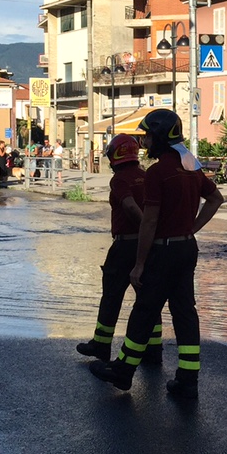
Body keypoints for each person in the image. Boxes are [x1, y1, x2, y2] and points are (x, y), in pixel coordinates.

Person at [89, 109, 223, 399]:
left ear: (160, 136)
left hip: (163, 251)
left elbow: (149, 221)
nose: (146, 143)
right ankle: (188, 379)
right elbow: (215, 198)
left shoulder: (157, 172)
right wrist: (193, 227)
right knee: (185, 313)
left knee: (144, 310)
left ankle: (123, 371)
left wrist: (138, 264)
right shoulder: (192, 167)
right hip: (187, 248)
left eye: (148, 136)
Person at [75, 133, 163, 365]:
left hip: (125, 245)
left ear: (116, 154)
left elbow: (130, 207)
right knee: (147, 298)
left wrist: (143, 227)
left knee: (112, 296)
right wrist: (150, 235)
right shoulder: (145, 176)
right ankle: (153, 350)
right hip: (148, 245)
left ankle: (101, 344)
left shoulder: (120, 180)